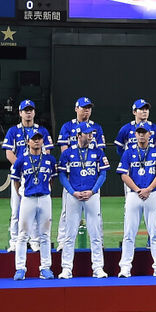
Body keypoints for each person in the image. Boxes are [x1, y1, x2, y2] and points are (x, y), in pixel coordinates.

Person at [115, 122, 156, 278]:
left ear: (150, 134)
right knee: (129, 233)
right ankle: (125, 267)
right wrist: (138, 189)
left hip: (152, 194)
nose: (141, 135)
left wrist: (148, 189)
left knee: (155, 233)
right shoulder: (128, 152)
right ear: (135, 134)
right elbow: (124, 174)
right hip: (134, 194)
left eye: (144, 132)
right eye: (139, 132)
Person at [57, 122, 109, 279]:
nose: (91, 135)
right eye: (87, 133)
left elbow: (103, 174)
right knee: (69, 233)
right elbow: (61, 175)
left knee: (95, 233)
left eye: (91, 133)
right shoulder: (67, 153)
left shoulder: (98, 152)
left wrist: (93, 191)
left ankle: (98, 267)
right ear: (79, 136)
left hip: (92, 195)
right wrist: (72, 192)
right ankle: (66, 268)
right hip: (74, 196)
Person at [2, 99, 54, 253]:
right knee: (16, 209)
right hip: (20, 175)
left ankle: (35, 241)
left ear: (35, 112)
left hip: (38, 173)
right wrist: (22, 167)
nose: (29, 112)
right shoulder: (13, 131)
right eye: (26, 110)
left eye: (31, 109)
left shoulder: (42, 131)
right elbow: (9, 153)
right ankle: (14, 241)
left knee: (38, 209)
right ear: (20, 113)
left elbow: (48, 152)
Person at [56, 97, 107, 251]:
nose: (86, 110)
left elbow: (100, 151)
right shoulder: (67, 126)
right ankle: (62, 241)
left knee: (96, 212)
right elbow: (64, 149)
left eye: (89, 108)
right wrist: (70, 168)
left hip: (90, 174)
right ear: (76, 108)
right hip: (73, 172)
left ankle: (99, 240)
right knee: (66, 210)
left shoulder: (96, 127)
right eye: (84, 107)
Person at [10, 132, 56, 280]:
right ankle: (20, 268)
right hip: (28, 199)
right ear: (28, 141)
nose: (37, 141)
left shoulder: (50, 159)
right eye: (34, 139)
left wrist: (46, 191)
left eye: (39, 139)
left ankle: (45, 268)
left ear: (43, 141)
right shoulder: (21, 160)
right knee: (23, 235)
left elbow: (52, 179)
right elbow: (16, 180)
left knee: (45, 235)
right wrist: (21, 193)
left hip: (44, 198)